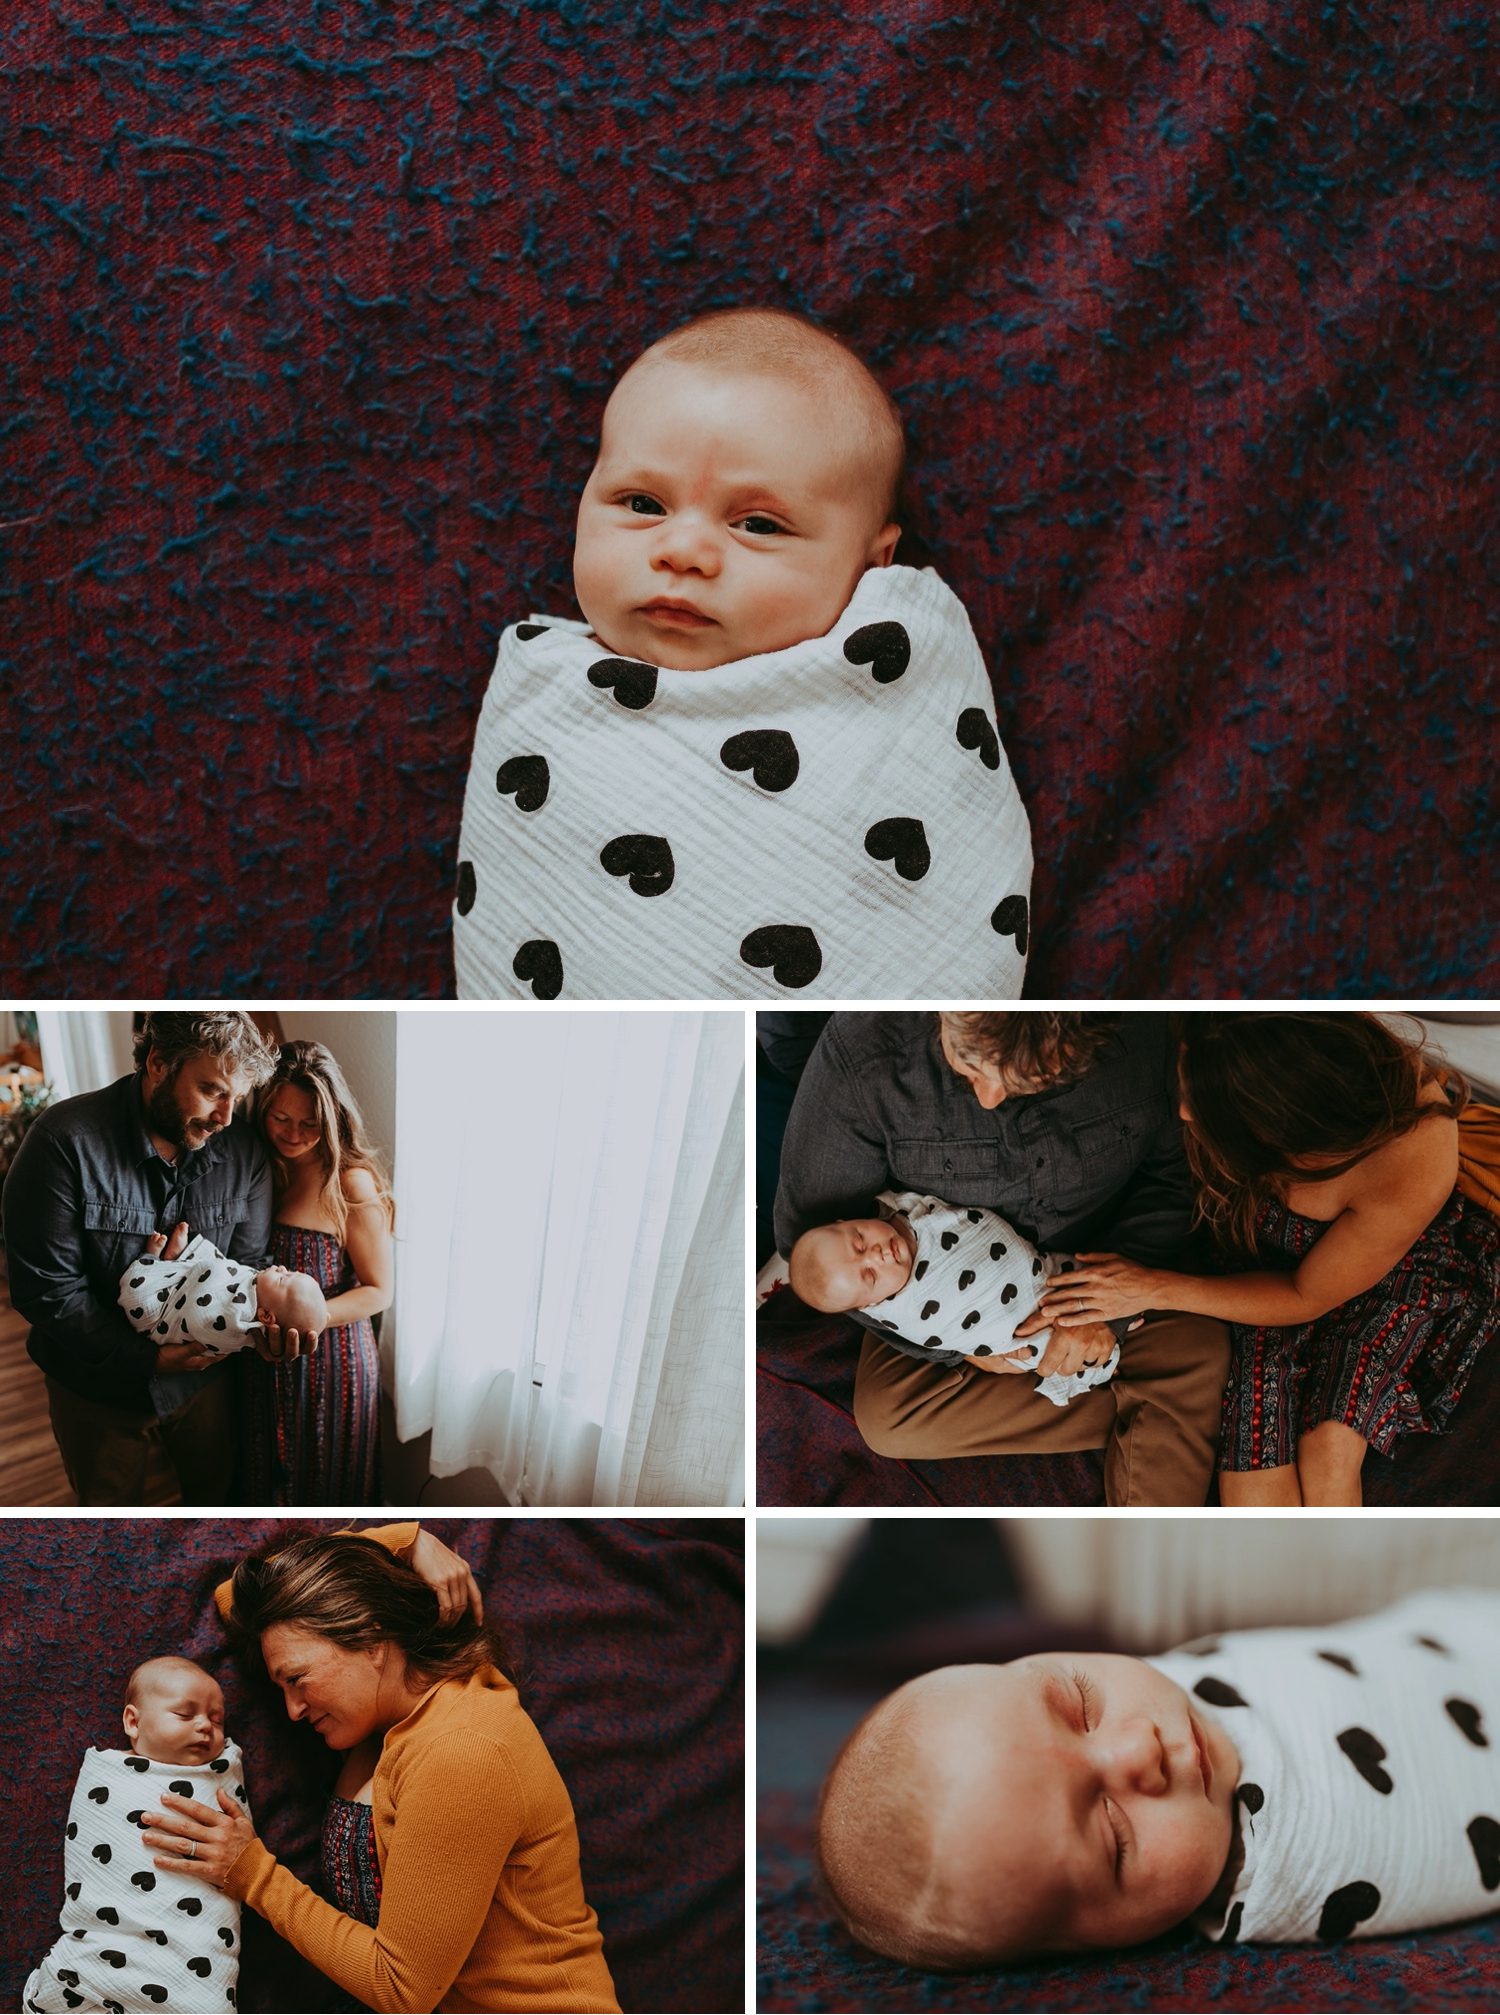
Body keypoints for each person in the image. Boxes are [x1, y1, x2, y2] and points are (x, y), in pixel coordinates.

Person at [453, 305, 1032, 1001]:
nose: (683, 551)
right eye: (641, 503)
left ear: (872, 563)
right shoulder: (546, 694)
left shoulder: (896, 684)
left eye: (758, 524)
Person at [816, 1589, 1500, 1969]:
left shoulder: (1154, 1692)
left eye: (1079, 1702)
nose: (1136, 1750)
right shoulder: (1298, 1861)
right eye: (1113, 1832)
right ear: (1097, 1945)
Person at [138, 1527, 620, 2015]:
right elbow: (235, 1599)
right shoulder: (396, 1713)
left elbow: (400, 1988)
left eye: (297, 1679)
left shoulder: (462, 1750)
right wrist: (410, 1543)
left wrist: (252, 1875)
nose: (292, 1709)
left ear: (370, 1636)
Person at [1039, 1013, 1500, 1506]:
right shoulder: (1224, 1036)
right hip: (1254, 1269)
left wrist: (1151, 1285)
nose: (1186, 1114)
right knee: (1256, 1451)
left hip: (1384, 1274)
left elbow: (1306, 1294)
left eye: (1206, 1104)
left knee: (1330, 1448)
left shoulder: (1417, 1145)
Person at [774, 1011, 1230, 1506]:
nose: (988, 1098)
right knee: (888, 1417)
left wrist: (1103, 1310)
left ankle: (1134, 1383)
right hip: (939, 1293)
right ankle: (1153, 1398)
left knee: (1200, 1348)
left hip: (1103, 1259)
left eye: (1032, 1081)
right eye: (965, 1063)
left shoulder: (1147, 1035)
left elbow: (1171, 1181)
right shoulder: (865, 1059)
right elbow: (816, 1245)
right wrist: (965, 1347)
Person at [2, 1011, 291, 1504]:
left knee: (216, 1502)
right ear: (158, 1063)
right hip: (94, 1389)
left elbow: (251, 1263)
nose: (225, 1117)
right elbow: (47, 1290)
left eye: (237, 1098)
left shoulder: (244, 1154)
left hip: (205, 1386)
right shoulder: (62, 1143)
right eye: (213, 1090)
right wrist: (150, 1357)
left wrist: (260, 1330)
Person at [24, 1658, 248, 2014]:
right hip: (107, 1942)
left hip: (193, 1952)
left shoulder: (219, 1776)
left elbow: (240, 1843)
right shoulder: (107, 1773)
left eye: (216, 1719)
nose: (206, 1726)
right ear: (133, 1721)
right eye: (185, 1715)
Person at [240, 1040, 394, 1505]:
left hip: (333, 1364)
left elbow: (379, 1291)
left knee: (326, 1489)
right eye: (280, 1118)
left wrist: (314, 1318)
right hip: (262, 1363)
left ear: (331, 1120)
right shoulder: (259, 1166)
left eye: (310, 1124)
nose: (292, 1134)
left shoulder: (348, 1181)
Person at [787, 1193, 1118, 1407]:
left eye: (859, 1241)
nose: (877, 1255)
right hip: (1023, 1321)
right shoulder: (908, 1309)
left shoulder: (900, 1207)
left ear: (846, 1222)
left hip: (1048, 1264)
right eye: (870, 1277)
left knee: (1086, 1274)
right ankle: (1109, 1349)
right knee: (1059, 1333)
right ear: (868, 1307)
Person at [120, 1228, 328, 1356]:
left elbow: (200, 1317)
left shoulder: (238, 1322)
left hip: (161, 1317)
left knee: (135, 1295)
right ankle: (178, 1261)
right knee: (224, 1266)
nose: (281, 1268)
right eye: (289, 1271)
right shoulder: (258, 1286)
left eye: (283, 1279)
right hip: (189, 1284)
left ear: (265, 1315)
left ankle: (151, 1260)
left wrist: (213, 1273)